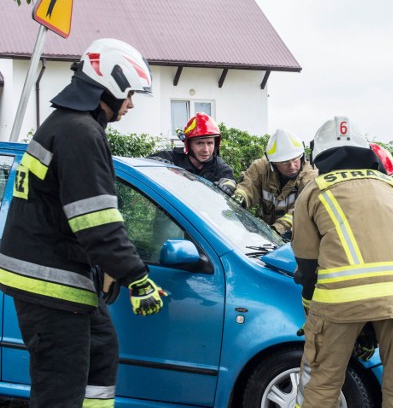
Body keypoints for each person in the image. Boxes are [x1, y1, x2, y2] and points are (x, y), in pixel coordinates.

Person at [0, 38, 167, 408]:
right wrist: (136, 278)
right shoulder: (80, 132)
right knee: (59, 388)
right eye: (132, 93)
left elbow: (72, 214)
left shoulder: (66, 124)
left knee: (101, 351)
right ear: (113, 83)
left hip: (54, 275)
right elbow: (97, 221)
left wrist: (106, 265)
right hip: (50, 283)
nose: (132, 104)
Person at [292, 116, 393, 407]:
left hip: (339, 303)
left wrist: (313, 316)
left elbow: (306, 269)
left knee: (321, 385)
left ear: (319, 155)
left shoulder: (313, 191)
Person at [231, 128, 317, 238]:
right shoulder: (261, 168)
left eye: (296, 159)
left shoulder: (310, 176)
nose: (292, 166)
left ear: (303, 156)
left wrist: (275, 230)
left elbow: (301, 211)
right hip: (268, 239)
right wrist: (239, 198)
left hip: (298, 239)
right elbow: (248, 186)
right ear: (273, 164)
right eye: (285, 162)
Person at [148, 112, 236, 195]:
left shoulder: (218, 165)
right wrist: (164, 167)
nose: (206, 149)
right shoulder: (174, 157)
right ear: (188, 145)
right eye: (199, 143)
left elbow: (229, 179)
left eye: (209, 143)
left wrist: (228, 186)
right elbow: (146, 162)